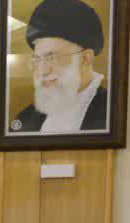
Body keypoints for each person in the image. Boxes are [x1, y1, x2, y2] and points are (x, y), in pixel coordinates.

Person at [11, 0, 109, 135]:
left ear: (86, 58)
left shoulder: (110, 110)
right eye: (37, 59)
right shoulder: (26, 118)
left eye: (52, 58)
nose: (43, 71)